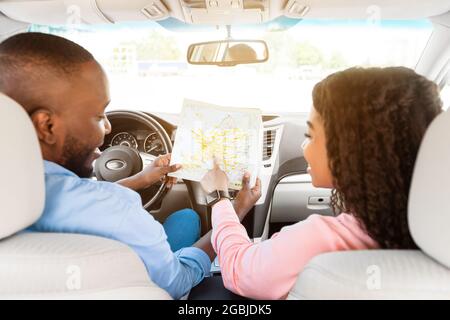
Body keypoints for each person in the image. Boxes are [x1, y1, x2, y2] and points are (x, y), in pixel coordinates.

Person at [0, 32, 217, 299]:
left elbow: (78, 201)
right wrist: (228, 221)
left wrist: (141, 179)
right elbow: (175, 283)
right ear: (47, 126)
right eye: (98, 115)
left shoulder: (13, 201)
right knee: (187, 218)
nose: (108, 127)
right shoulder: (117, 208)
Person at [200, 67, 443, 299]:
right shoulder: (434, 231)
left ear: (351, 149)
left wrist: (219, 198)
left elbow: (239, 270)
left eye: (310, 135)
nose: (303, 147)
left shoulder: (321, 239)